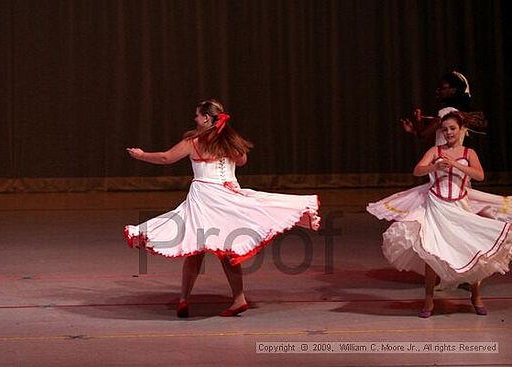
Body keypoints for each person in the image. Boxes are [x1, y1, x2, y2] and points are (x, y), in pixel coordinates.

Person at [125, 99, 320, 318]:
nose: (195, 118)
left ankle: (184, 299)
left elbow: (166, 157)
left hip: (206, 200)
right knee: (226, 250)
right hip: (228, 198)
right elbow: (243, 160)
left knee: (195, 249)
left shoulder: (194, 141)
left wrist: (141, 155)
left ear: (206, 118)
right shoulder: (229, 140)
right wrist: (227, 141)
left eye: (197, 115)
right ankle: (237, 299)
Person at [368, 112, 512, 318]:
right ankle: (428, 300)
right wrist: (435, 166)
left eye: (452, 128)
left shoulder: (469, 153)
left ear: (461, 130)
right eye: (445, 129)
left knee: (471, 250)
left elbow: (479, 175)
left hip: (460, 207)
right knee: (431, 252)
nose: (448, 132)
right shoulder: (435, 151)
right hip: (436, 207)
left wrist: (455, 164)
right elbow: (417, 170)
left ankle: (475, 295)